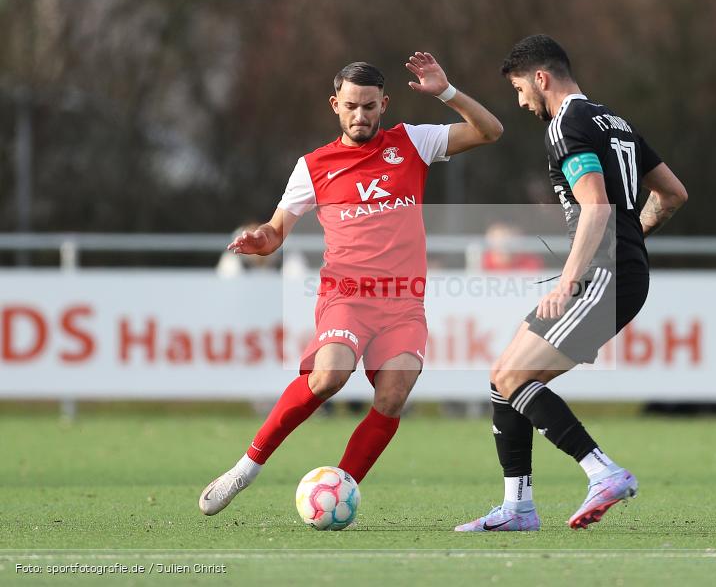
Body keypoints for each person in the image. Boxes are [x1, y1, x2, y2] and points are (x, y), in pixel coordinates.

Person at [199, 52, 503, 515]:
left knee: (394, 394)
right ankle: (246, 467)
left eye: (369, 106)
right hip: (346, 296)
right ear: (334, 106)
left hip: (402, 303)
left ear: (385, 104)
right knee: (328, 377)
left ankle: (340, 489)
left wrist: (445, 91)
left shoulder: (413, 143)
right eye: (351, 106)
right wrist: (262, 239)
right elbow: (276, 230)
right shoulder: (313, 166)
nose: (360, 115)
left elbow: (490, 131)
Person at [455, 35, 687, 532]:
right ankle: (518, 508)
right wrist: (634, 236)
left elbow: (597, 207)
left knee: (516, 378)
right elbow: (672, 193)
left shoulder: (566, 125)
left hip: (599, 276)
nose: (520, 102)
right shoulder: (615, 121)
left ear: (541, 79)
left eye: (520, 88)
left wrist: (571, 278)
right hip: (620, 270)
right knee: (503, 378)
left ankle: (602, 471)